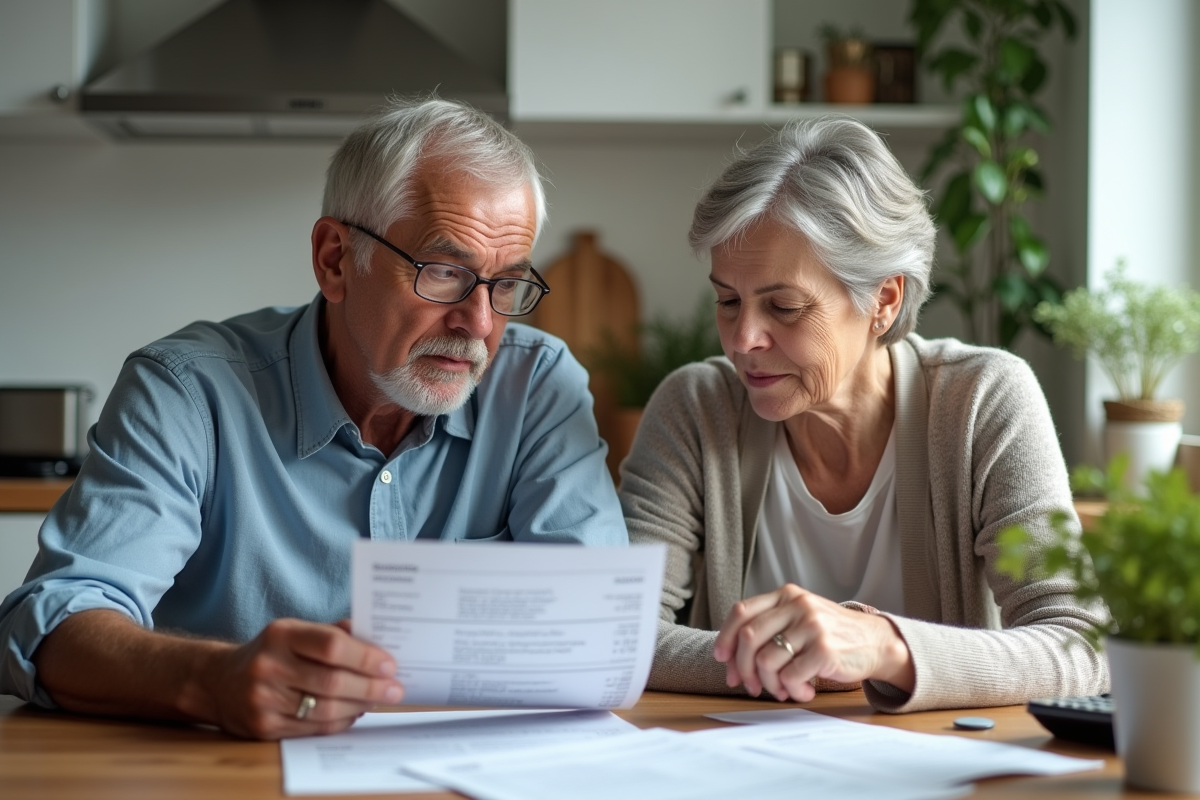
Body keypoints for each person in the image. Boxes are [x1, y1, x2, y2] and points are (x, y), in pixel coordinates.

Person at [0, 98, 627, 739]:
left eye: (505, 284)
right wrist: (212, 681)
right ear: (334, 260)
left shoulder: (536, 386)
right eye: (444, 273)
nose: (481, 324)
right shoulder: (188, 392)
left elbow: (597, 628)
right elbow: (49, 622)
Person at [620, 117, 1108, 713]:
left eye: (785, 306)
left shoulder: (983, 401)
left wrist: (883, 647)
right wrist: (800, 660)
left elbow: (1082, 645)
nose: (743, 337)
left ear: (884, 299)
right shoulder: (694, 410)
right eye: (727, 300)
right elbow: (618, 632)